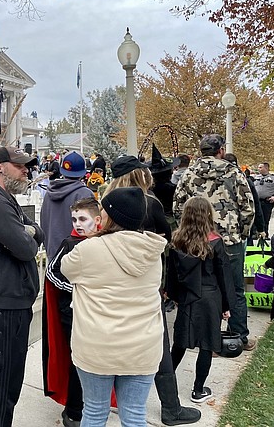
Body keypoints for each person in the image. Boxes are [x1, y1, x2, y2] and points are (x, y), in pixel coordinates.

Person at [61, 187, 168, 426]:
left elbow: (66, 269)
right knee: (134, 414)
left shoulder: (88, 250)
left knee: (95, 411)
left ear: (109, 216)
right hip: (143, 347)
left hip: (97, 347)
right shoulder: (152, 252)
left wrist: (93, 238)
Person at [108, 155, 201, 425]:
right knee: (158, 348)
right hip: (145, 285)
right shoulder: (149, 204)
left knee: (113, 345)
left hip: (112, 287)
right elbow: (166, 243)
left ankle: (108, 402)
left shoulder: (105, 203)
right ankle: (170, 408)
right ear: (140, 175)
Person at [0, 146, 44, 427]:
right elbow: (26, 247)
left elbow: (36, 230)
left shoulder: (6, 199)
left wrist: (30, 232)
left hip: (13, 301)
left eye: (27, 165)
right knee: (2, 382)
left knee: (11, 378)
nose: (26, 170)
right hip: (3, 303)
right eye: (20, 165)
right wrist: (29, 233)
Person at [173, 134, 256, 351]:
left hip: (198, 241)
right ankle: (238, 337)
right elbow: (247, 207)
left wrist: (188, 232)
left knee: (204, 289)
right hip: (229, 239)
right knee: (235, 289)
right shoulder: (233, 172)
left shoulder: (189, 173)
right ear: (220, 150)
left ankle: (207, 340)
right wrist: (242, 232)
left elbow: (178, 206)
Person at [167, 196, 236, 404]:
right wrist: (226, 306)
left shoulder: (177, 240)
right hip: (210, 297)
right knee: (207, 344)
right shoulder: (215, 241)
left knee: (179, 343)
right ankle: (198, 390)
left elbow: (172, 274)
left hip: (188, 297)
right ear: (208, 215)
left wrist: (174, 296)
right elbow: (224, 277)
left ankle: (167, 383)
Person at [43, 198, 101, 427]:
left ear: (97, 220)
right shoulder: (69, 243)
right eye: (74, 219)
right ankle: (74, 410)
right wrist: (76, 290)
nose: (78, 224)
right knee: (77, 361)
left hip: (95, 315)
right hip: (71, 314)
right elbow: (52, 273)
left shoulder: (103, 243)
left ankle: (91, 403)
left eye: (83, 219)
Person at [40, 150, 94, 261]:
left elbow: (43, 223)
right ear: (83, 172)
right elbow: (91, 229)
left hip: (53, 255)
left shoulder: (49, 193)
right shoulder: (85, 194)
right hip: (77, 258)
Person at [225, 153, 265, 245]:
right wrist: (260, 228)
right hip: (241, 228)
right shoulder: (244, 180)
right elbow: (255, 205)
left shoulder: (215, 179)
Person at [253, 162, 274, 236]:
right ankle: (256, 234)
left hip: (267, 202)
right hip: (256, 201)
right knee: (255, 218)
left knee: (265, 219)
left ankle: (265, 235)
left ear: (266, 168)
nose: (258, 169)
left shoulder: (273, 178)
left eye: (260, 167)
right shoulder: (255, 177)